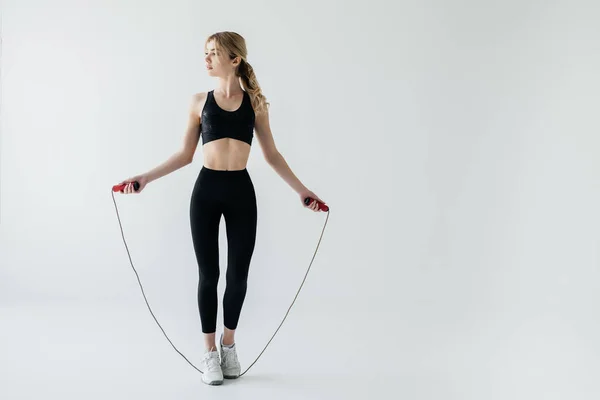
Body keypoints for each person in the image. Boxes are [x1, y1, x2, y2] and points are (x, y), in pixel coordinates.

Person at [118, 31, 326, 386]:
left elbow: (272, 155)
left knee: (239, 275)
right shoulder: (199, 102)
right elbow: (185, 155)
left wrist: (302, 191)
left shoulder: (255, 104)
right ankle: (209, 354)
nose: (207, 59)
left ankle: (229, 346)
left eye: (214, 53)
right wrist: (145, 178)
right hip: (207, 191)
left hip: (241, 191)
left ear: (235, 59)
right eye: (206, 52)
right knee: (208, 275)